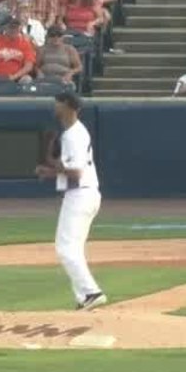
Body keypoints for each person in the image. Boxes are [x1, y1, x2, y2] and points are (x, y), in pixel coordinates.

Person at [35, 91, 105, 310]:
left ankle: (92, 292)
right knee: (73, 249)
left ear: (67, 106)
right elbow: (73, 172)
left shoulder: (73, 135)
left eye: (58, 103)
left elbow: (75, 172)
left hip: (80, 195)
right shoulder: (75, 132)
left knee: (65, 248)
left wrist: (50, 162)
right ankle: (83, 297)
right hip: (86, 193)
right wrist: (50, 172)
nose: (55, 107)